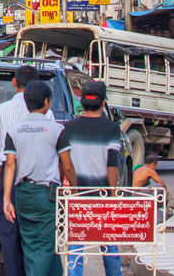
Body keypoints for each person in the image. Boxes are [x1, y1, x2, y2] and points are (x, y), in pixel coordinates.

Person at [2, 80, 75, 276]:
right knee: (44, 245)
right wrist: (76, 189)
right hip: (46, 194)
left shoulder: (14, 131)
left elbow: (10, 165)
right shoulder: (57, 130)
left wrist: (7, 199)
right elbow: (67, 165)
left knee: (31, 244)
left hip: (22, 193)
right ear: (47, 101)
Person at [62, 81, 123, 276]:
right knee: (109, 245)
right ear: (103, 103)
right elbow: (111, 164)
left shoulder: (69, 127)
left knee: (76, 246)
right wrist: (113, 194)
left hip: (78, 194)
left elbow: (66, 164)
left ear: (82, 102)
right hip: (102, 195)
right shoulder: (112, 129)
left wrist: (70, 188)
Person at [0, 64, 37, 276]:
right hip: (34, 179)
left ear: (14, 83)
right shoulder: (46, 113)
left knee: (9, 233)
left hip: (7, 178)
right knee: (31, 233)